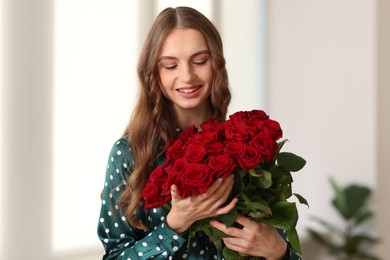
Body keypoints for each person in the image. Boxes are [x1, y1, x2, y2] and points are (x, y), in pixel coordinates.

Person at [97, 6, 301, 260]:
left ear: (216, 64)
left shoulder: (248, 145)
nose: (187, 76)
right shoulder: (129, 154)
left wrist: (278, 252)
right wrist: (174, 226)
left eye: (199, 61)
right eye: (170, 66)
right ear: (154, 74)